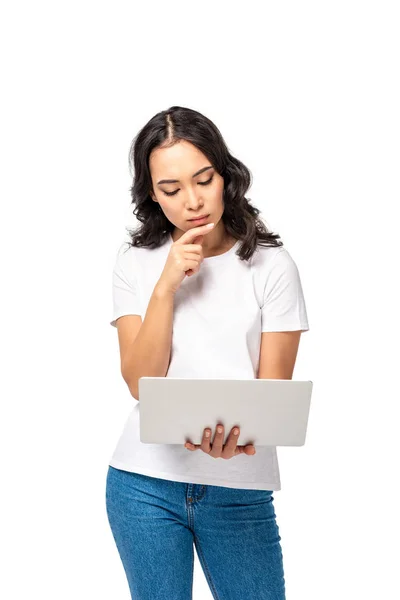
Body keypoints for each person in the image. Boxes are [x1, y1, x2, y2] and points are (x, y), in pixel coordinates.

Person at [105, 106, 310, 600]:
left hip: (239, 491)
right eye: (172, 190)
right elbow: (140, 382)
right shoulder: (135, 264)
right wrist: (165, 287)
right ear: (152, 194)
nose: (193, 202)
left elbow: (273, 396)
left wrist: (244, 440)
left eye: (204, 180)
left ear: (225, 174)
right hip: (143, 485)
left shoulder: (272, 266)